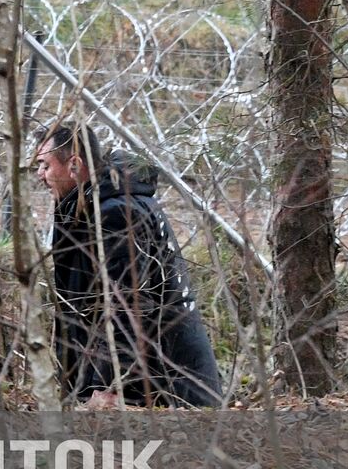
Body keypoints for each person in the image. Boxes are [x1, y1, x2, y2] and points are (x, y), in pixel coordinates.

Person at [34, 123, 222, 408]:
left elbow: (130, 305)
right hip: (152, 383)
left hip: (167, 390)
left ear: (74, 164)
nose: (40, 176)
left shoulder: (118, 212)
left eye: (44, 165)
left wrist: (118, 386)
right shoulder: (90, 204)